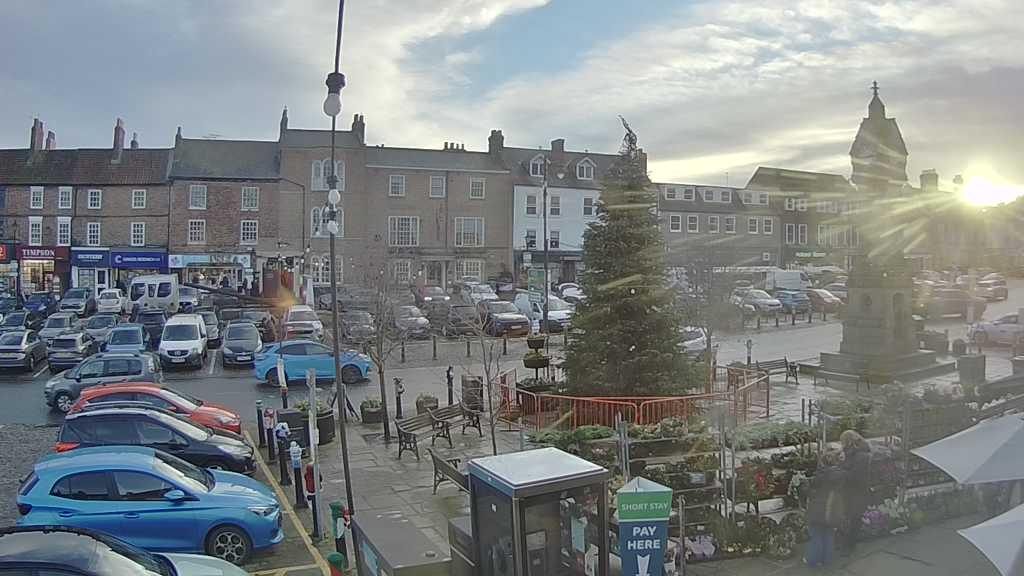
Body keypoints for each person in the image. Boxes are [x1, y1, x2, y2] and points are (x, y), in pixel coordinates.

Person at [805, 449, 846, 567]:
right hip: (833, 507)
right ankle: (827, 560)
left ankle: (813, 560)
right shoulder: (841, 474)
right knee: (829, 533)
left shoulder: (821, 475)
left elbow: (811, 488)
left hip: (819, 507)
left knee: (816, 534)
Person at [838, 430, 872, 554]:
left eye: (842, 442)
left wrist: (840, 471)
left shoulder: (860, 456)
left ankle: (849, 545)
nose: (841, 445)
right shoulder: (854, 453)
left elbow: (855, 476)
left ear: (848, 442)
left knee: (854, 518)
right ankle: (847, 543)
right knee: (851, 517)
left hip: (857, 491)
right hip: (853, 491)